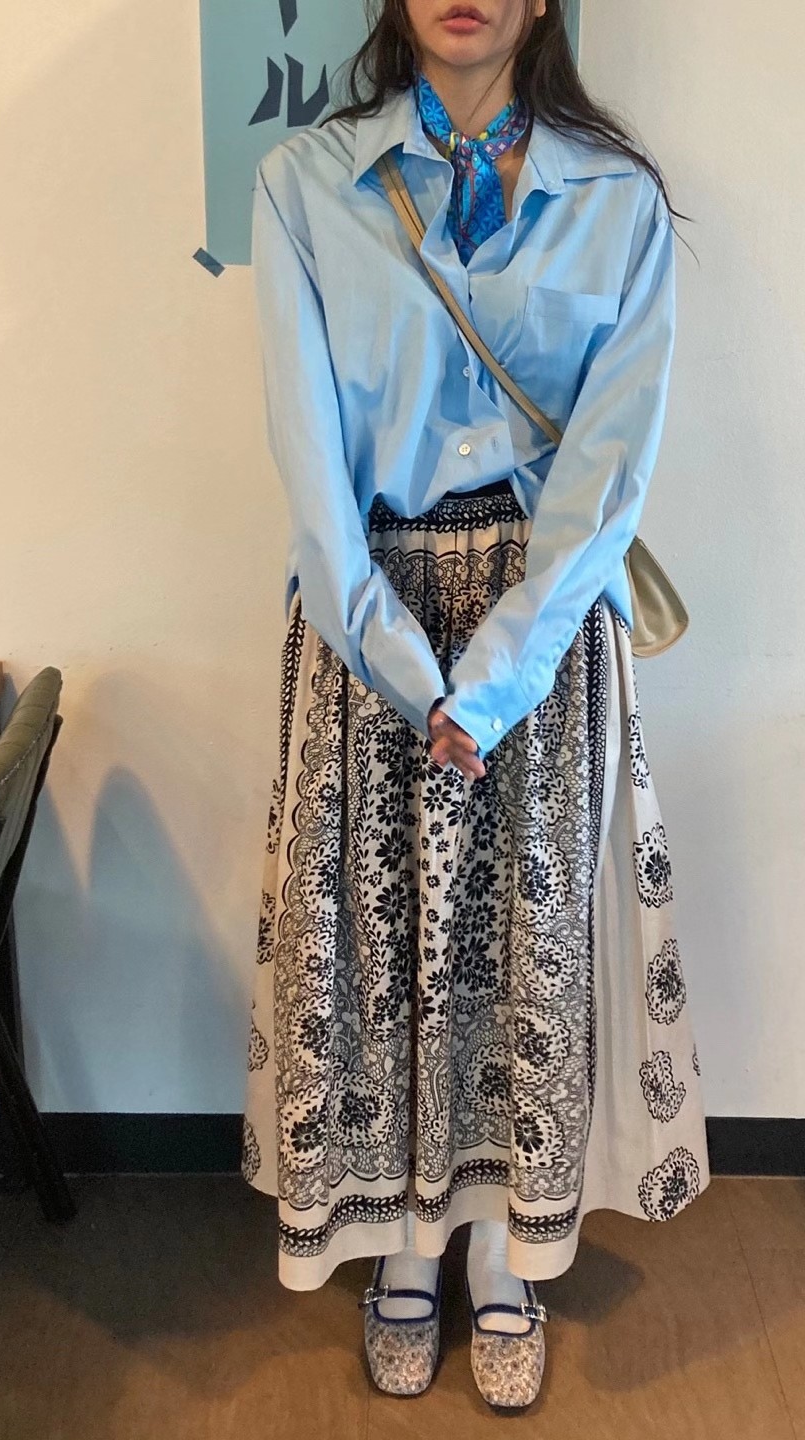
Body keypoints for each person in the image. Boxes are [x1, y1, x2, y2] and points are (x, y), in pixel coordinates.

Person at [241, 0, 710, 1411]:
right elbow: (308, 457)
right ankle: (402, 1240)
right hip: (367, 624)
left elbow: (611, 468)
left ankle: (505, 1247)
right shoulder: (308, 184)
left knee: (525, 952)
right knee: (375, 950)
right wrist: (400, 662)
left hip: (544, 636)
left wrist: (499, 675)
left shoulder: (617, 200)